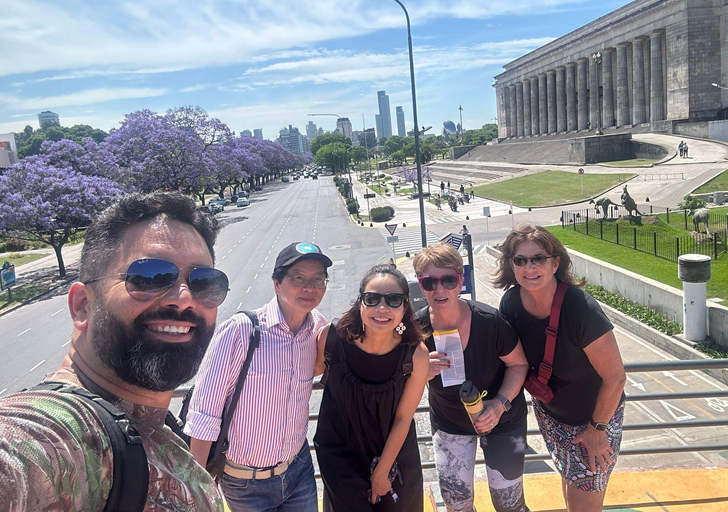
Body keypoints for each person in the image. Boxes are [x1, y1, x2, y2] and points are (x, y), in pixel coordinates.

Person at [0, 191, 227, 510]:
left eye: (205, 281)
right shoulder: (61, 435)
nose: (184, 297)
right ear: (82, 306)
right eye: (150, 276)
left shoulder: (158, 428)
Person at [184, 242, 332, 512]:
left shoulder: (317, 328)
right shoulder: (241, 331)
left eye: (318, 279)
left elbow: (320, 369)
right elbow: (204, 414)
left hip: (298, 471)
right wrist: (198, 488)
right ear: (277, 283)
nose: (309, 287)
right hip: (245, 484)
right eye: (298, 278)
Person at [494, 224, 626, 512]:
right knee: (569, 485)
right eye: (520, 260)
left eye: (538, 258)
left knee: (585, 506)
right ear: (512, 265)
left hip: (595, 419)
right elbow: (507, 360)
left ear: (555, 263)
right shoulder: (511, 304)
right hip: (551, 415)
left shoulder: (581, 310)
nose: (529, 267)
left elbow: (615, 378)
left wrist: (596, 429)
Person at [414, 243, 530, 512]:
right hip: (450, 422)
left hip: (502, 421)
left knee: (509, 504)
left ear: (461, 281)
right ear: (421, 286)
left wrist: (500, 403)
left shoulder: (490, 321)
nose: (439, 289)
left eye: (449, 280)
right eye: (429, 282)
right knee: (456, 504)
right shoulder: (415, 329)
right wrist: (419, 372)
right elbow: (398, 375)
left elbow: (519, 364)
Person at [314, 264, 429, 511]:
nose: (382, 308)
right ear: (360, 303)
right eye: (372, 299)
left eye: (393, 299)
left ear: (405, 306)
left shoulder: (415, 354)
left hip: (395, 458)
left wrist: (382, 471)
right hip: (341, 460)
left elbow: (403, 418)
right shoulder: (332, 340)